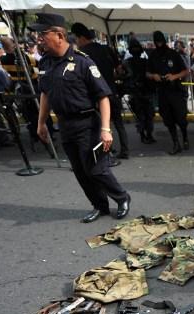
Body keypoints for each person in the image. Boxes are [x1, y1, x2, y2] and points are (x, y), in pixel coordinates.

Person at [31, 13, 130, 223]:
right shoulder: (46, 63)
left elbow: (103, 96)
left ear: (58, 35)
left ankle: (122, 197)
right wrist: (41, 123)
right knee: (80, 172)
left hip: (87, 124)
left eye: (42, 34)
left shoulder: (83, 61)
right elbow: (45, 94)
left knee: (95, 168)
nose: (39, 38)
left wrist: (106, 129)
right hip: (65, 125)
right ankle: (100, 206)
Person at [71, 23, 129, 159]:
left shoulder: (82, 54)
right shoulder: (107, 49)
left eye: (76, 39)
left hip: (95, 94)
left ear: (81, 38)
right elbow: (119, 70)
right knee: (119, 123)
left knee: (102, 125)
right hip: (112, 90)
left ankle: (108, 151)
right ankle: (125, 150)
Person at [147, 30, 190, 155]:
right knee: (168, 119)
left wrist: (174, 76)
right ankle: (176, 143)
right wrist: (153, 76)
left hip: (175, 91)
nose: (159, 44)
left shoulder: (173, 54)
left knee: (181, 118)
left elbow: (185, 71)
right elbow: (147, 73)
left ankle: (185, 137)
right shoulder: (153, 55)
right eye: (157, 42)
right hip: (162, 92)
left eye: (161, 41)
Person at [122, 38, 156, 144]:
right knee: (142, 115)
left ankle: (147, 135)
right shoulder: (127, 63)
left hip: (144, 92)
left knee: (147, 115)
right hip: (137, 93)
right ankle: (144, 135)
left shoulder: (144, 62)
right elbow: (126, 76)